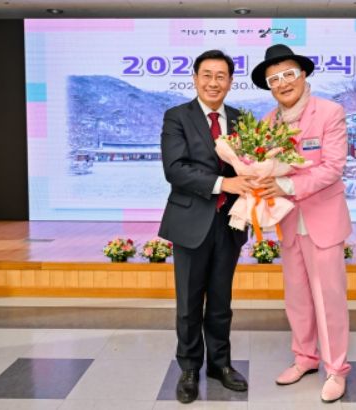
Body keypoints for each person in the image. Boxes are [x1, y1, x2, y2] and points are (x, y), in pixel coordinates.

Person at [251, 44, 352, 403]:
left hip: (323, 221)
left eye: (288, 74)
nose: (282, 83)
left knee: (329, 298)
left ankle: (336, 369)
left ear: (303, 74)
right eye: (274, 79)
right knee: (296, 297)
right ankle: (305, 357)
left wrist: (288, 185)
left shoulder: (329, 112)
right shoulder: (267, 123)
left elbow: (333, 167)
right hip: (288, 222)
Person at [159, 49, 254, 404]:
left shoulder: (242, 119)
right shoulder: (177, 116)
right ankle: (188, 368)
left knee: (220, 300)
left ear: (230, 81)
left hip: (230, 223)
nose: (214, 82)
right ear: (195, 78)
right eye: (207, 75)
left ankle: (220, 364)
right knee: (188, 303)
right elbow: (175, 169)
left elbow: (252, 163)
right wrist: (223, 183)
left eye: (221, 76)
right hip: (189, 222)